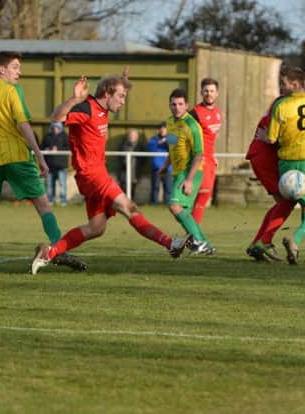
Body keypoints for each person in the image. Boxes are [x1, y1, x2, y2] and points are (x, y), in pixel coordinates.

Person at [30, 71, 189, 274]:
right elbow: (56, 118)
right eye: (121, 96)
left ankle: (48, 253)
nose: (123, 102)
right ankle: (171, 244)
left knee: (96, 228)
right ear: (107, 93)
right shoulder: (86, 108)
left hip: (92, 176)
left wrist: (122, 81)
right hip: (93, 175)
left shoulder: (102, 110)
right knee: (129, 207)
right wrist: (75, 98)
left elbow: (111, 90)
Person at [0, 51, 85, 273]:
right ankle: (60, 249)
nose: (19, 72)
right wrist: (39, 155)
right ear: (2, 69)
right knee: (42, 203)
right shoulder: (12, 91)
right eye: (16, 67)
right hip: (17, 156)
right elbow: (23, 125)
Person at [246, 66, 305, 263]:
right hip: (288, 158)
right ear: (300, 83)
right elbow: (273, 138)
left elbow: (272, 135)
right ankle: (288, 241)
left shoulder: (282, 104)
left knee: (287, 203)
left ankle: (262, 242)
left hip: (281, 160)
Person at [159, 88, 215, 255]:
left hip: (191, 171)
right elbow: (172, 147)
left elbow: (199, 155)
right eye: (173, 104)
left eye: (180, 104)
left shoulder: (192, 125)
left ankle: (200, 242)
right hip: (177, 171)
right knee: (183, 212)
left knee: (175, 206)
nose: (177, 107)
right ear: (170, 105)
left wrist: (189, 180)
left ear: (186, 105)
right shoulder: (170, 122)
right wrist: (164, 166)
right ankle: (204, 244)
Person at [189, 78, 222, 224]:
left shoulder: (218, 113)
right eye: (206, 91)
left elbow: (211, 138)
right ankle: (193, 233)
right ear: (201, 92)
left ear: (217, 94)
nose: (209, 94)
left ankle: (191, 233)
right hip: (199, 159)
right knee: (202, 194)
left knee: (204, 196)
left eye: (212, 91)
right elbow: (186, 137)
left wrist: (213, 156)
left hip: (210, 159)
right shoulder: (195, 113)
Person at [41, 121, 70, 206]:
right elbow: (41, 147)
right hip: (50, 165)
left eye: (57, 127)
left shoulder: (65, 137)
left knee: (62, 184)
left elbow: (69, 148)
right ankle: (50, 200)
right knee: (50, 185)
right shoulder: (47, 137)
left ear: (60, 128)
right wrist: (47, 149)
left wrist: (58, 149)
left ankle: (63, 201)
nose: (55, 129)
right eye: (53, 127)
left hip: (61, 165)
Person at [146, 121, 172, 205]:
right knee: (155, 187)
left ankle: (167, 203)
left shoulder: (172, 138)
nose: (162, 130)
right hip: (156, 167)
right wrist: (159, 143)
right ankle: (154, 203)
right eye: (161, 128)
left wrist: (167, 141)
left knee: (168, 187)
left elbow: (176, 148)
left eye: (164, 128)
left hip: (168, 168)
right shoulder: (154, 139)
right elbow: (149, 148)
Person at [117, 128, 140, 196]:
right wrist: (125, 163)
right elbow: (120, 157)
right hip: (124, 171)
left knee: (132, 188)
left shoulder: (139, 146)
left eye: (133, 135)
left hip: (134, 172)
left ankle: (131, 203)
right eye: (130, 135)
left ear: (137, 137)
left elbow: (142, 159)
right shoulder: (123, 145)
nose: (131, 137)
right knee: (123, 188)